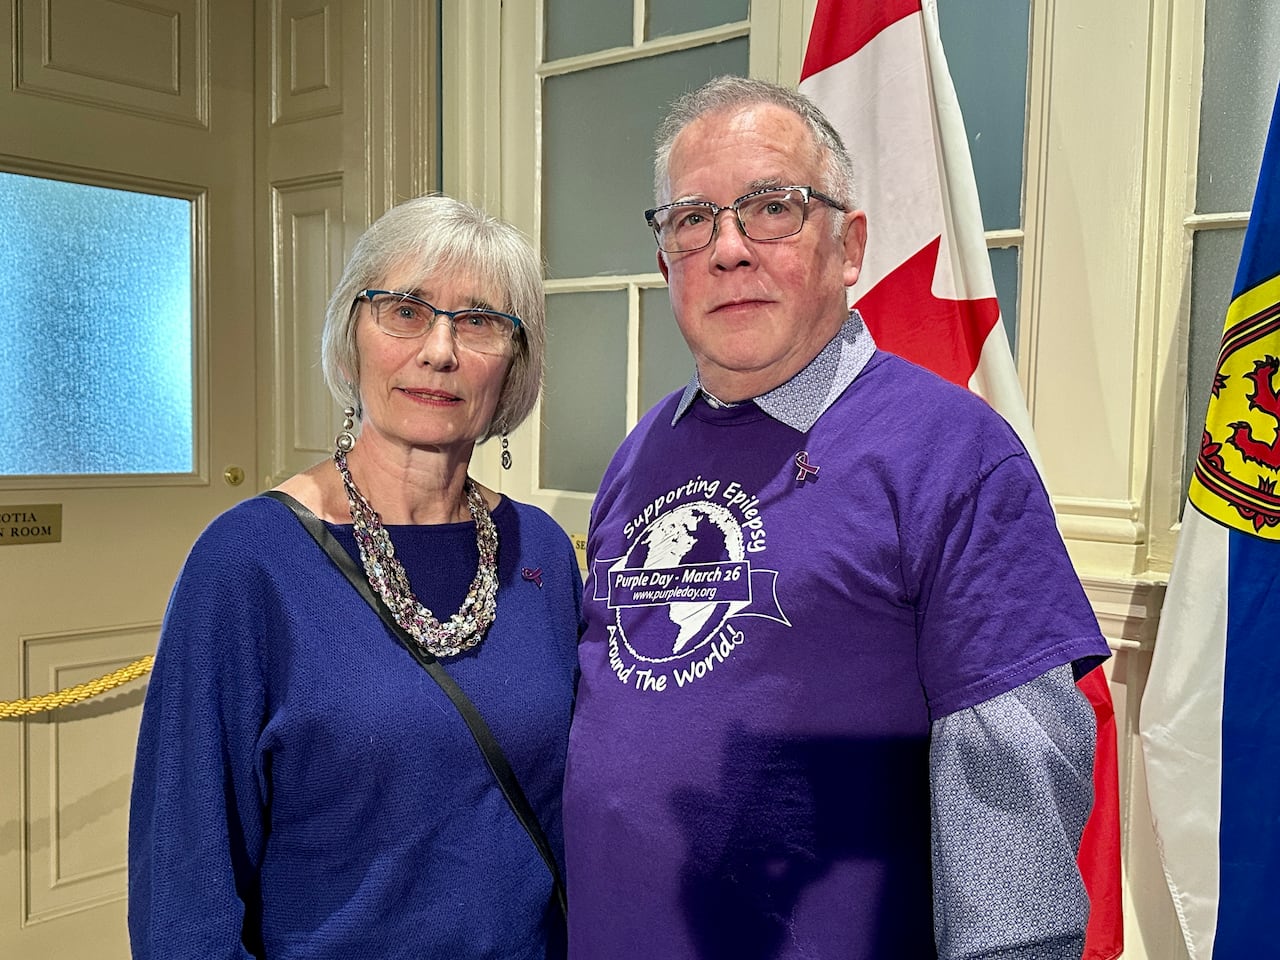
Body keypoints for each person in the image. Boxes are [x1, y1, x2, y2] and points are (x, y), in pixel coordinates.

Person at [562, 76, 1111, 960]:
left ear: (849, 245)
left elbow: (1018, 800)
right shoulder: (642, 452)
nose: (728, 249)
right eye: (692, 220)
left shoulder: (953, 454)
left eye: (771, 208)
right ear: (666, 261)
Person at [128, 194, 580, 959]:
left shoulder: (540, 551)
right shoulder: (246, 563)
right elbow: (184, 885)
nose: (440, 351)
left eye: (478, 322)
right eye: (404, 310)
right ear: (352, 336)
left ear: (515, 366)